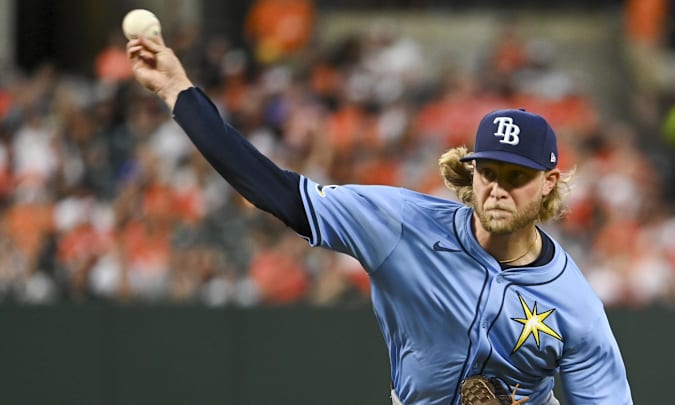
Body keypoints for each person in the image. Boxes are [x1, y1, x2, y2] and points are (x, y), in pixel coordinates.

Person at [126, 34, 633, 405]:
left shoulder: (577, 308)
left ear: (548, 182)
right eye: (488, 171)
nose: (497, 188)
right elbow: (274, 189)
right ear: (471, 170)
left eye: (516, 176)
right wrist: (179, 92)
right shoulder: (402, 226)